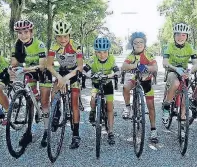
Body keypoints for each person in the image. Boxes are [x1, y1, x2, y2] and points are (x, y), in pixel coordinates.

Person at [10, 19, 52, 147]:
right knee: (30, 103)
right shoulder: (17, 46)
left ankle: (46, 131)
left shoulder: (39, 44)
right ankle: (28, 132)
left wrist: (24, 68)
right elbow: (13, 64)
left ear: (31, 32)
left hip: (42, 72)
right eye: (20, 33)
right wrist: (11, 70)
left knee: (44, 102)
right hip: (29, 72)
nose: (23, 35)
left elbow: (42, 65)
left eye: (26, 32)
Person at [47, 20, 83, 149]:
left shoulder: (76, 46)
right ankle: (56, 114)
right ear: (56, 37)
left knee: (74, 104)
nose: (62, 39)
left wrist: (67, 78)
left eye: (65, 36)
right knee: (54, 90)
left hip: (73, 73)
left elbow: (80, 66)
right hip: (61, 72)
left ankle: (76, 134)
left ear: (69, 35)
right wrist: (58, 77)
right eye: (59, 36)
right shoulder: (53, 47)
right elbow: (49, 65)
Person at [121, 32, 159, 143]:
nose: (138, 44)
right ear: (132, 45)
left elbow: (155, 67)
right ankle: (128, 107)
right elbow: (124, 66)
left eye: (141, 42)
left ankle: (153, 130)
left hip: (147, 81)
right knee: (125, 87)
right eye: (135, 43)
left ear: (145, 43)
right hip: (136, 79)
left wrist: (146, 67)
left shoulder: (148, 54)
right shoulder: (131, 55)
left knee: (151, 106)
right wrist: (136, 66)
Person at [83, 37, 120, 145]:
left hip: (108, 84)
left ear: (108, 51)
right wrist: (85, 75)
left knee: (109, 107)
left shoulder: (111, 58)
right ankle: (93, 111)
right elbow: (84, 70)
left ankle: (111, 132)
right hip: (96, 84)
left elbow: (117, 70)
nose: (102, 55)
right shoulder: (92, 59)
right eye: (99, 52)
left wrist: (111, 75)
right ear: (95, 52)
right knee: (93, 100)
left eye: (105, 52)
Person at [162, 23, 197, 125]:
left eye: (183, 35)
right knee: (175, 83)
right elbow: (165, 63)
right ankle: (166, 106)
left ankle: (183, 120)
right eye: (178, 34)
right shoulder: (169, 46)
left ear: (187, 36)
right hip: (172, 70)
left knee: (184, 98)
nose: (180, 37)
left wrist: (190, 71)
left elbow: (196, 63)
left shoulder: (190, 47)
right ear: (174, 36)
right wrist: (175, 69)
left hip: (184, 72)